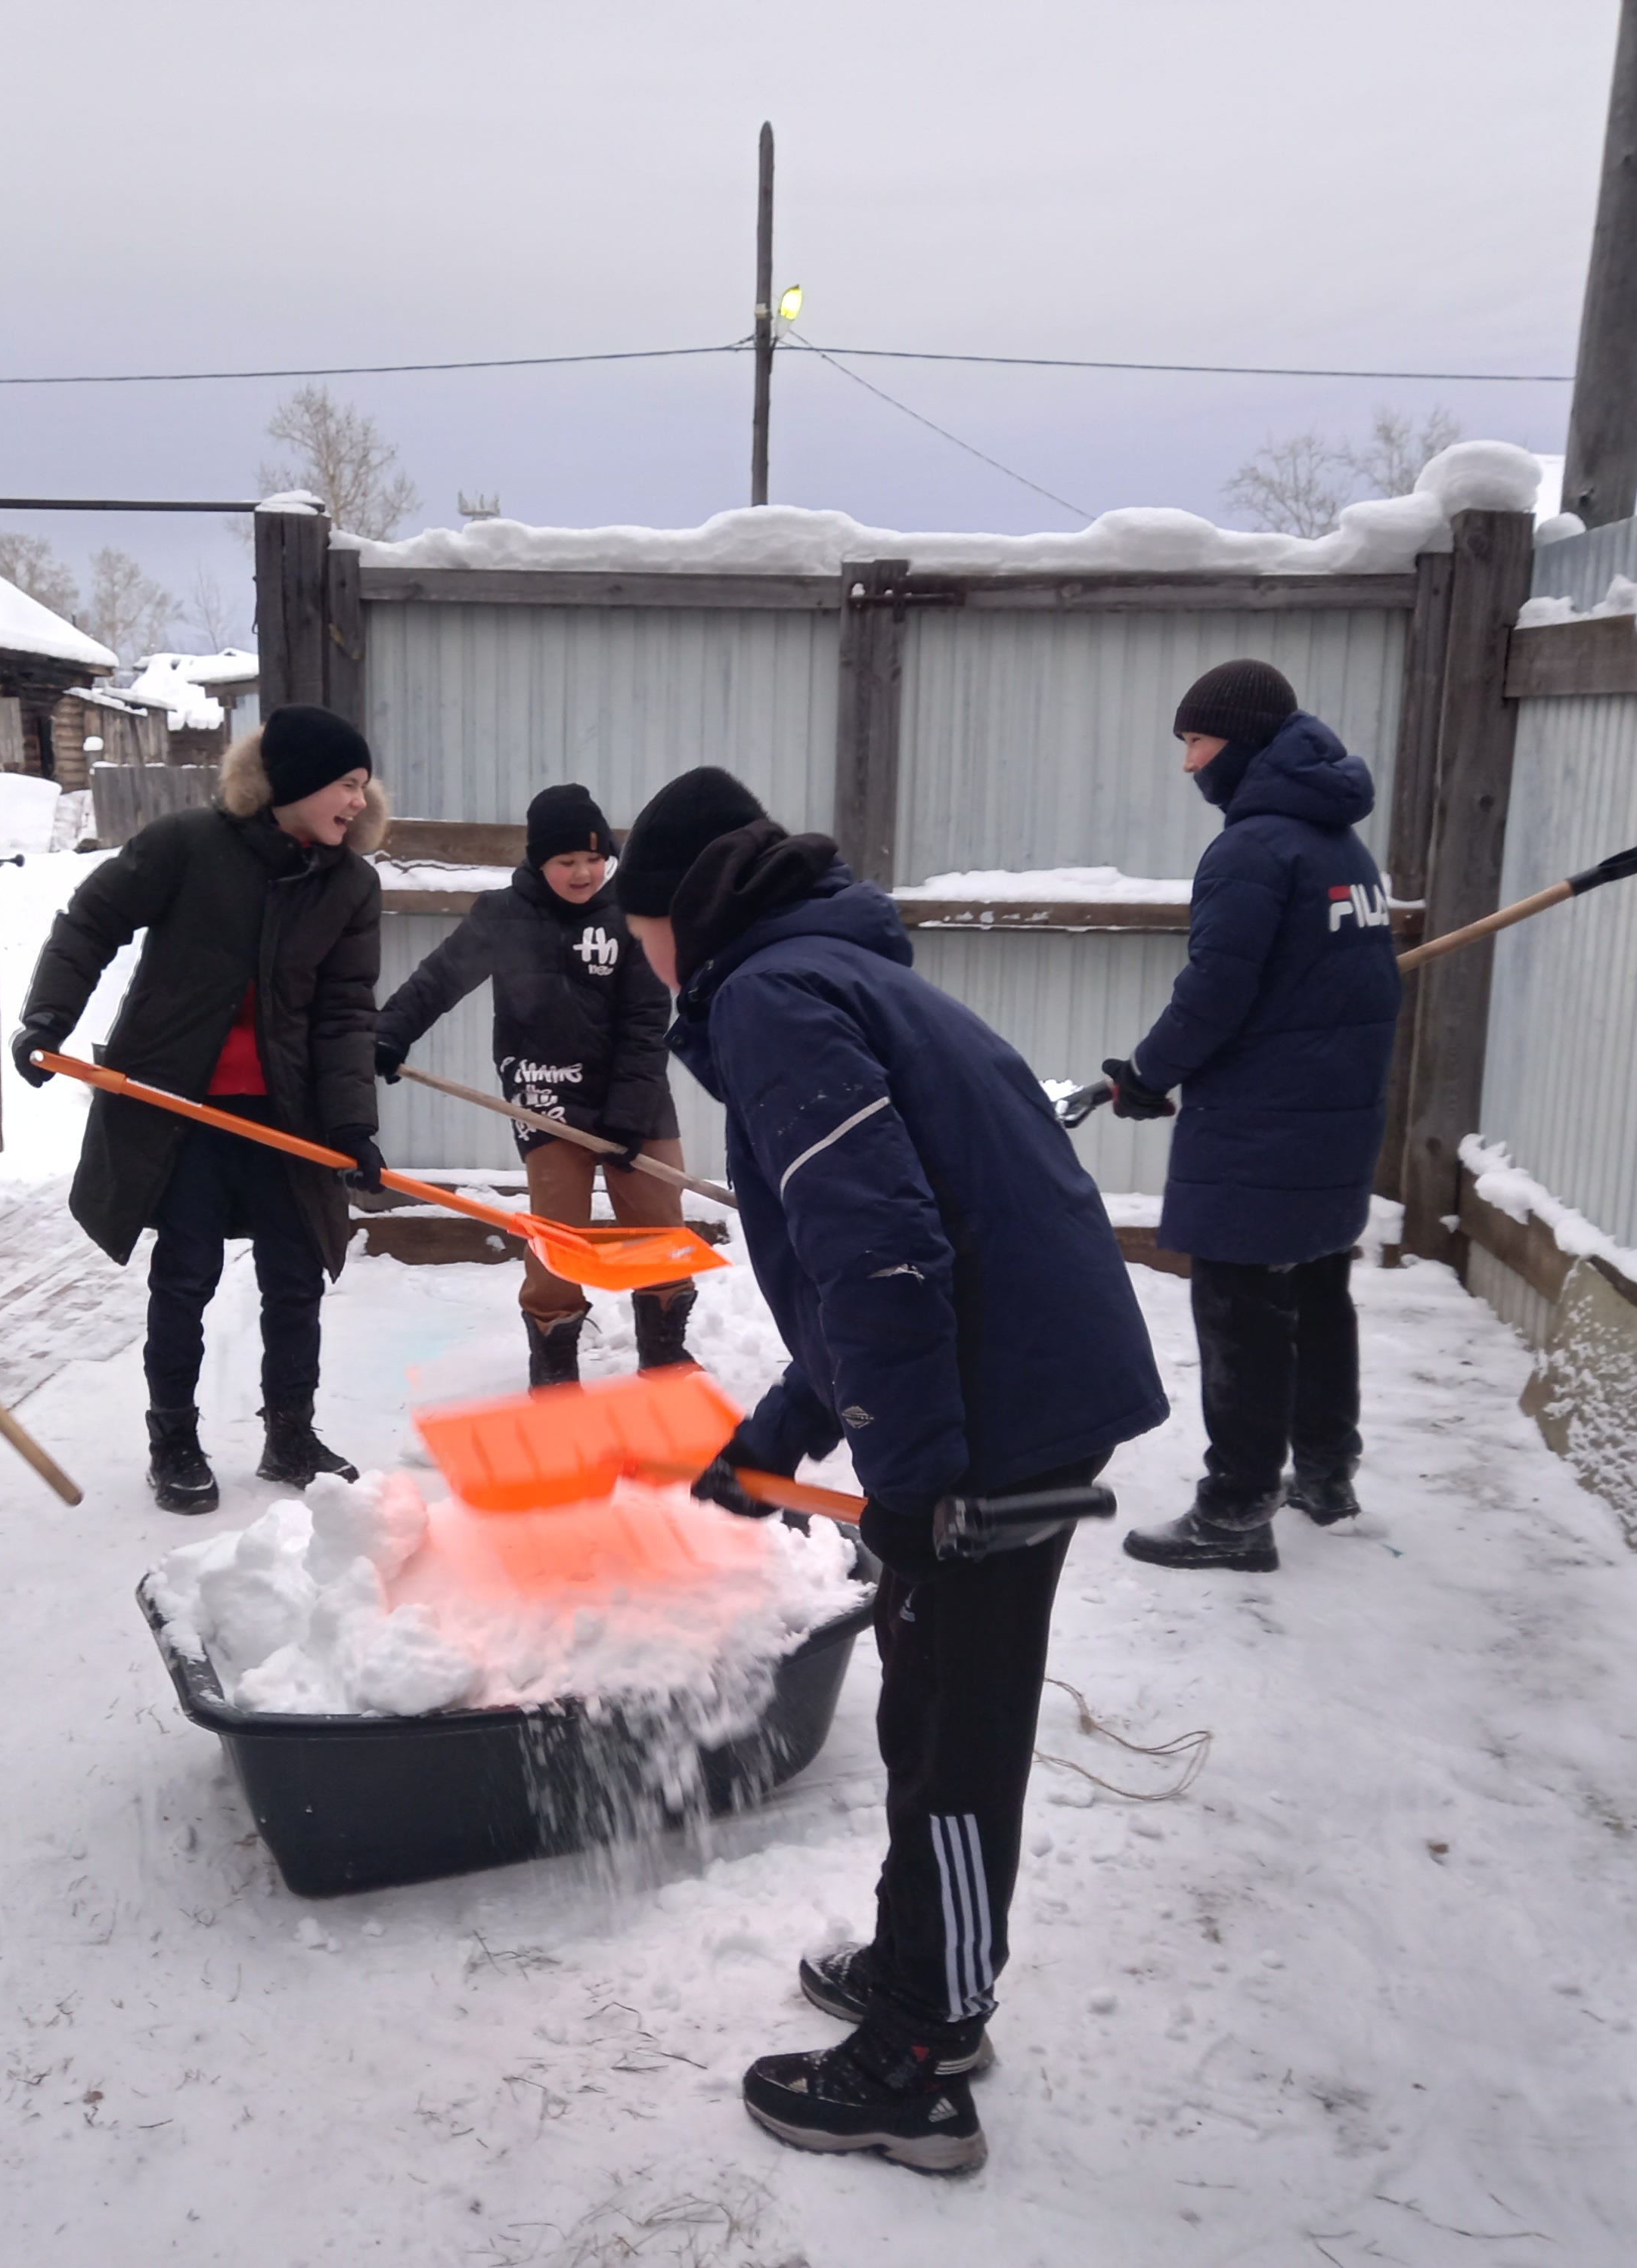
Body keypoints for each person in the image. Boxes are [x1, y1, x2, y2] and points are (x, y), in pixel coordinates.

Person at [616, 765, 1167, 2177]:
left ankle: (927, 2050)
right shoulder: (821, 973)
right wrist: (792, 1427)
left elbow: (886, 1253)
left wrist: (916, 1483)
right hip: (1006, 1377)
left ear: (683, 910)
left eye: (638, 924)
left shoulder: (773, 999)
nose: (637, 955)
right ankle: (922, 1968)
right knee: (930, 1696)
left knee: (958, 1724)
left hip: (1007, 1406)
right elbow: (876, 1247)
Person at [12, 704, 387, 1513]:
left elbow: (345, 1014)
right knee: (185, 1275)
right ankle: (173, 1440)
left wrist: (352, 1124)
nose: (358, 802)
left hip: (286, 1115)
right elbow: (91, 922)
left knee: (297, 1278)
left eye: (362, 786)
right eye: (345, 785)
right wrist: (48, 1019)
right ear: (293, 784)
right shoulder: (188, 845)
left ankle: (291, 1431)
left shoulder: (349, 884)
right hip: (179, 1106)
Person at [1100, 658, 1401, 1575]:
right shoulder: (1340, 847)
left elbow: (1216, 992)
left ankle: (1234, 1510)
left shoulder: (1251, 849)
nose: (1188, 765)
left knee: (1241, 1310)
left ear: (1240, 742)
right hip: (1331, 1118)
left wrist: (1149, 1074)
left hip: (1263, 1122)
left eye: (1195, 742)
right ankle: (1324, 1473)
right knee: (1315, 1290)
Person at [371, 782, 694, 1385]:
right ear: (538, 861)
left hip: (637, 1093)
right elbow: (436, 980)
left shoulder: (634, 914)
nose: (584, 873)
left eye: (596, 859)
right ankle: (554, 1364)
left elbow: (648, 1022)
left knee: (660, 1231)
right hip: (548, 1095)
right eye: (567, 861)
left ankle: (666, 1358)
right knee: (558, 1236)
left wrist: (627, 1115)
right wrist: (390, 1033)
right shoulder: (503, 917)